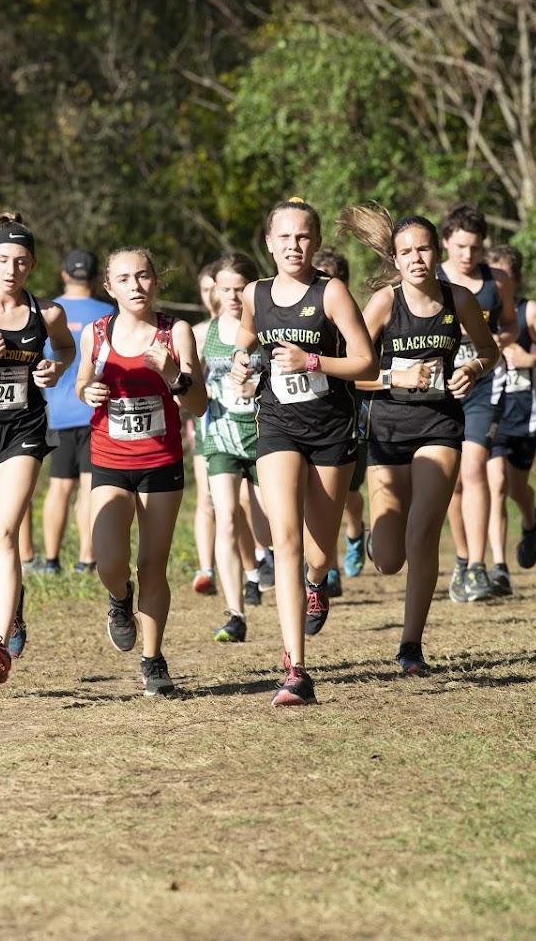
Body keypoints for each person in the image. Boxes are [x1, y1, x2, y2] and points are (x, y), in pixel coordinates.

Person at [231, 198, 377, 706]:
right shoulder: (255, 293)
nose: (294, 246)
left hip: (331, 429)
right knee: (285, 540)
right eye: (285, 237)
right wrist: (241, 362)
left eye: (303, 237)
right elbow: (247, 337)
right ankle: (295, 669)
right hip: (277, 424)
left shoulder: (331, 292)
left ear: (314, 243)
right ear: (269, 243)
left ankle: (318, 582)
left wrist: (312, 360)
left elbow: (366, 362)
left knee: (317, 553)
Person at [341, 204, 498, 674]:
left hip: (440, 426)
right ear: (395, 259)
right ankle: (376, 536)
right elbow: (351, 371)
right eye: (406, 252)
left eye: (424, 249)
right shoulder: (383, 304)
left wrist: (472, 368)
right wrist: (396, 377)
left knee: (423, 533)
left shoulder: (459, 300)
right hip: (388, 430)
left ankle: (411, 646)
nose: (416, 258)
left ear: (437, 252)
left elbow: (489, 350)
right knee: (390, 559)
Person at [75, 248, 207, 695]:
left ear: (155, 280)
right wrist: (87, 392)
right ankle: (119, 598)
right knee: (110, 561)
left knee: (153, 564)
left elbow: (198, 404)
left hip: (160, 463)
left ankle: (153, 660)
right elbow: (81, 382)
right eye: (125, 279)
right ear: (108, 287)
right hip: (110, 461)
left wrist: (173, 374)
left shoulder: (175, 332)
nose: (136, 286)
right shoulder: (95, 333)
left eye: (144, 276)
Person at [0, 214, 76, 686]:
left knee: (4, 533)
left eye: (22, 261)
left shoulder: (47, 313)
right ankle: (15, 611)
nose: (12, 269)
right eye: (4, 259)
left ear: (32, 265)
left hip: (23, 429)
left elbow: (65, 349)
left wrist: (55, 368)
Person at [193, 252, 267, 642]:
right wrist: (194, 389)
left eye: (241, 289)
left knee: (273, 523)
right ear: (216, 291)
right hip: (221, 437)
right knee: (225, 518)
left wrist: (260, 385)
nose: (234, 297)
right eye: (226, 289)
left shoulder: (268, 326)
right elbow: (188, 382)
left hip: (266, 435)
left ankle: (292, 574)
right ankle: (236, 614)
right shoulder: (202, 333)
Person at [436, 205, 503, 603]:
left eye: (475, 248)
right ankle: (462, 557)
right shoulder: (431, 278)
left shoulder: (497, 281)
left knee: (475, 467)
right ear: (446, 242)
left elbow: (511, 326)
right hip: (441, 388)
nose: (468, 255)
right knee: (454, 478)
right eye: (461, 246)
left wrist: (494, 338)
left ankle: (478, 565)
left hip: (483, 384)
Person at [483, 245, 536, 595]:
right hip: (489, 410)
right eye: (492, 277)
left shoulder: (530, 312)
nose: (498, 284)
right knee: (496, 484)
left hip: (525, 412)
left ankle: (530, 520)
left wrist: (532, 360)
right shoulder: (477, 311)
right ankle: (499, 568)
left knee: (516, 489)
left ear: (517, 279)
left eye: (505, 278)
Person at [40, 248, 115, 575]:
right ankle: (86, 560)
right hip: (94, 414)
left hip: (57, 415)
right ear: (97, 278)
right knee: (88, 488)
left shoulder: (48, 311)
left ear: (65, 275)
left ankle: (51, 561)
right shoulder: (108, 313)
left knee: (58, 487)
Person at [313, 246, 361, 593]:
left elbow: (369, 369)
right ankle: (325, 569)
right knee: (313, 500)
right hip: (306, 419)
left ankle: (356, 531)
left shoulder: (352, 319)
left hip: (348, 418)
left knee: (347, 496)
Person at [189, 261, 222, 595]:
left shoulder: (247, 327)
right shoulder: (196, 332)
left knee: (243, 500)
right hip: (206, 421)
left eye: (217, 287)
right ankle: (205, 569)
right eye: (205, 289)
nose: (211, 295)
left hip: (245, 420)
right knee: (206, 496)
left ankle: (258, 558)